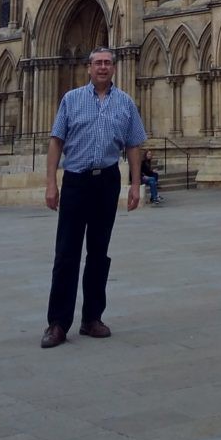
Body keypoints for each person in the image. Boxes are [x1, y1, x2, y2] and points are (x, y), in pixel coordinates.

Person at [41, 47, 147, 349]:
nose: (102, 67)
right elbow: (56, 141)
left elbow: (134, 145)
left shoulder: (125, 102)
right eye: (97, 63)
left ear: (114, 68)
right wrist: (51, 183)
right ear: (88, 67)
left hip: (108, 180)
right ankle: (58, 323)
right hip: (76, 181)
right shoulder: (71, 99)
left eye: (107, 63)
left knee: (99, 253)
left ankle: (92, 319)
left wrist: (135, 185)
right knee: (66, 254)